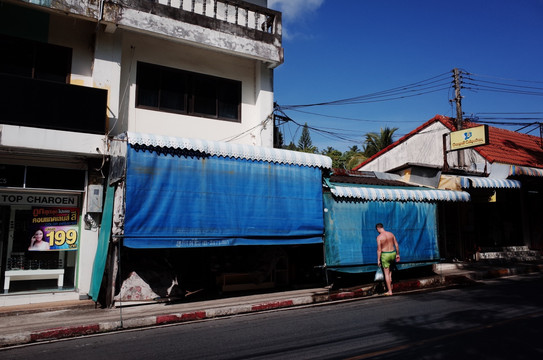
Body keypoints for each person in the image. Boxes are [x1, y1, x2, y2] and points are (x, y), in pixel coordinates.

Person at [376, 223, 400, 295]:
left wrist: (378, 259)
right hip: (392, 253)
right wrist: (397, 254)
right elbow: (396, 245)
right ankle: (390, 277)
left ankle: (390, 291)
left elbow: (379, 249)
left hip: (385, 255)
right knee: (390, 268)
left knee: (386, 273)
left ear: (378, 228)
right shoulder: (391, 234)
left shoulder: (379, 237)